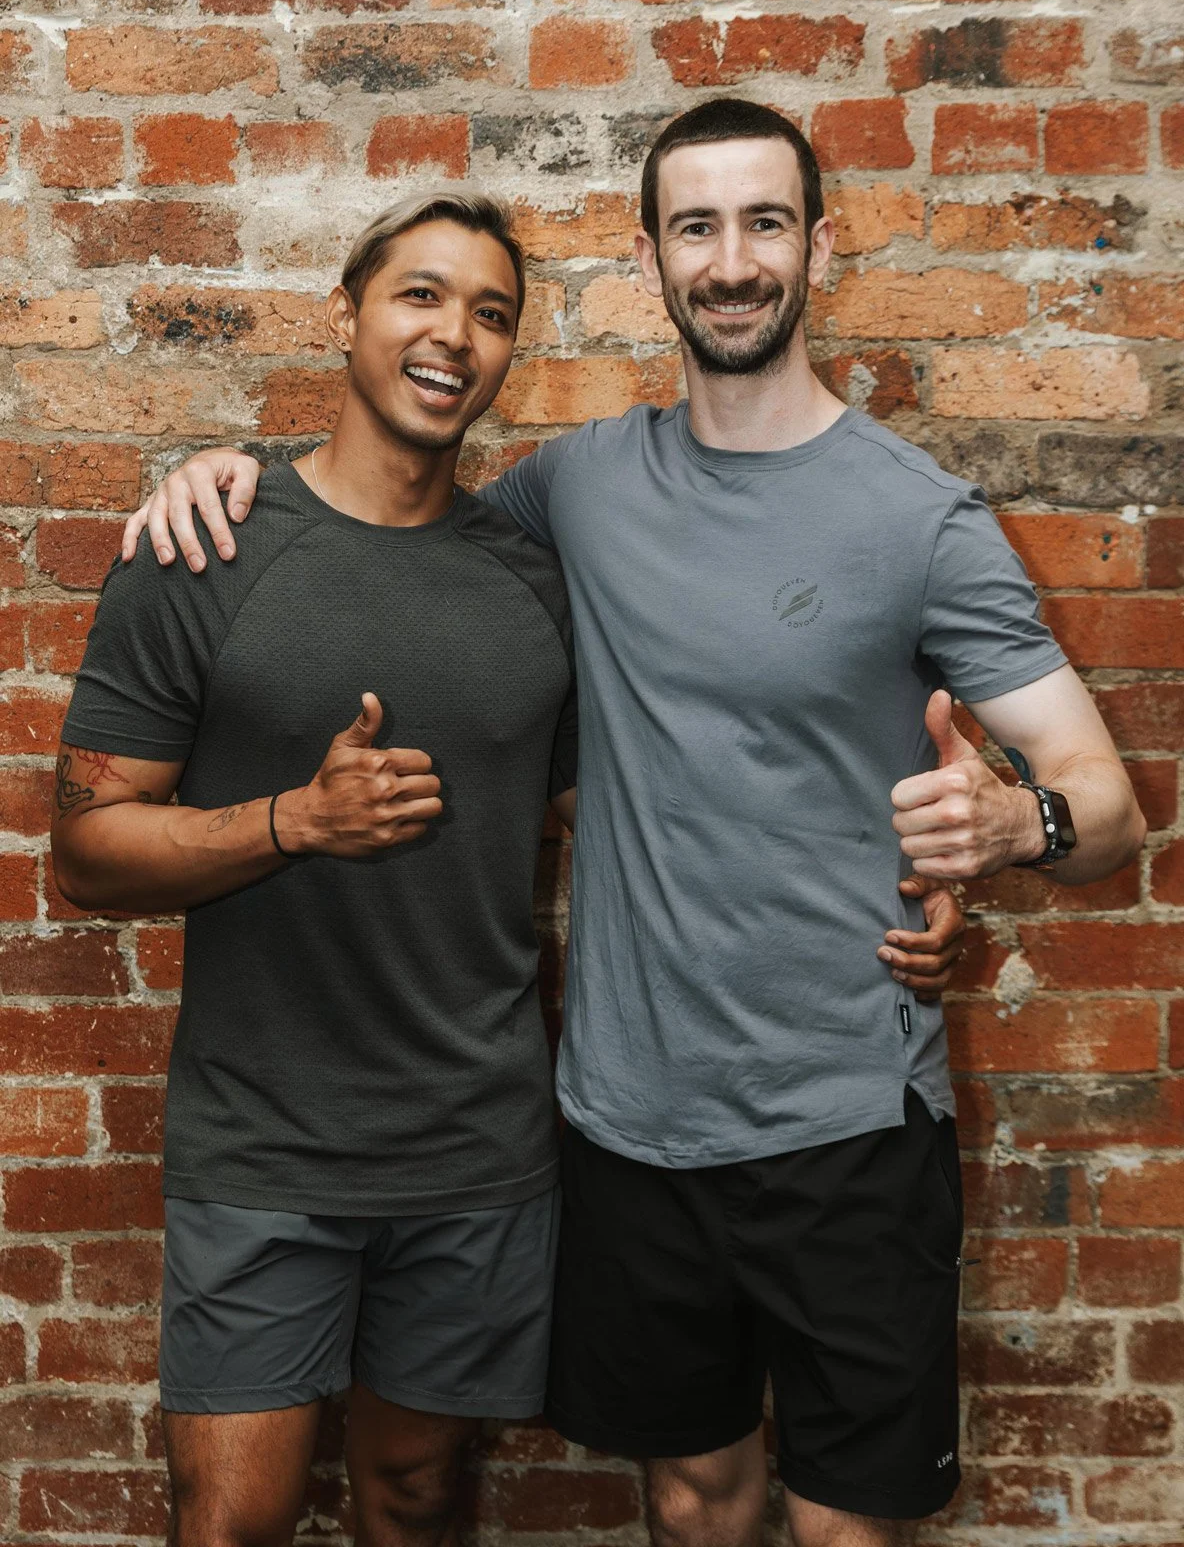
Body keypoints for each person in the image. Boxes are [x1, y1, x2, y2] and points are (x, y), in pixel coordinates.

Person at [121, 99, 1126, 1547]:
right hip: (629, 1129)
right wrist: (231, 481)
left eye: (766, 222)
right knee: (692, 1501)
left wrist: (1013, 827)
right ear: (650, 254)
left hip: (847, 1124)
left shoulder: (922, 518)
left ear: (818, 246)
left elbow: (1108, 807)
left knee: (850, 1529)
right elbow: (393, 512)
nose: (732, 260)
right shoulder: (576, 491)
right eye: (698, 226)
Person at [51, 194, 585, 1547]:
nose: (452, 335)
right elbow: (90, 854)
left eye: (490, 311)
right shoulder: (203, 549)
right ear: (346, 316)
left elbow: (643, 810)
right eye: (419, 295)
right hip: (263, 1141)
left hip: (473, 1144)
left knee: (415, 1499)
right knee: (231, 1520)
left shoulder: (536, 582)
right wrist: (293, 819)